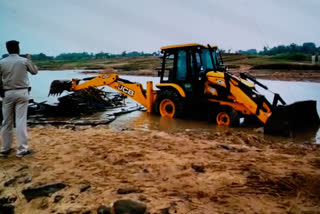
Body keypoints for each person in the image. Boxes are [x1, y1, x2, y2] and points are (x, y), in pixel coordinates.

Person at [0, 40, 38, 158]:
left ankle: (5, 149)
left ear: (7, 49)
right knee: (21, 120)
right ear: (18, 49)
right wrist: (29, 59)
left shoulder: (2, 62)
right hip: (22, 92)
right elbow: (34, 71)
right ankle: (22, 150)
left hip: (7, 93)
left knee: (6, 121)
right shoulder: (24, 61)